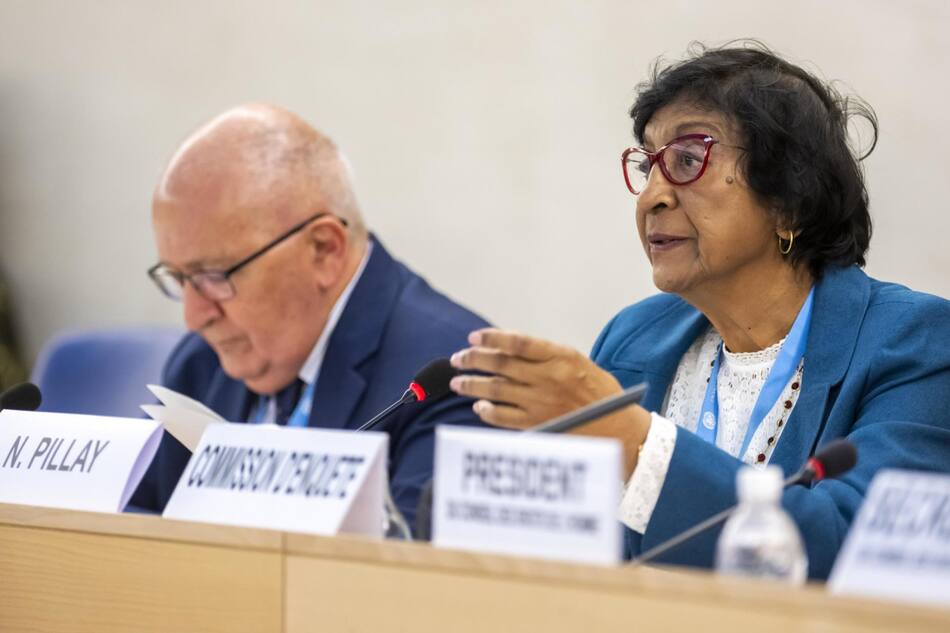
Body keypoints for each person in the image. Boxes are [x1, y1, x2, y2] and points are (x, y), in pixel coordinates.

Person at [448, 43, 950, 579]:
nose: (650, 199)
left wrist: (631, 438)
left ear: (789, 201)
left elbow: (852, 549)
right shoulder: (634, 337)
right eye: (647, 166)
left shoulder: (916, 344)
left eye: (688, 160)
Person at [131, 104, 489, 525]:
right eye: (178, 277)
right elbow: (139, 528)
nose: (195, 316)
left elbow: (409, 579)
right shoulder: (200, 365)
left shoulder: (453, 380)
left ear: (324, 250)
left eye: (214, 276)